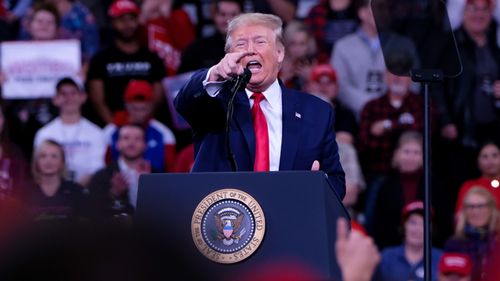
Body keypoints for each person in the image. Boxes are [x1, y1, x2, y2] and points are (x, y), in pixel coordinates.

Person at [174, 13, 345, 198]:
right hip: (225, 221)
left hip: (289, 219)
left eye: (260, 42)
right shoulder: (214, 99)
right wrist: (215, 73)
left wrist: (314, 186)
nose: (250, 50)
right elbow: (183, 102)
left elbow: (336, 183)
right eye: (241, 44)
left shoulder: (317, 112)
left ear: (279, 53)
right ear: (228, 56)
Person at [86, 0, 166, 126]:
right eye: (121, 20)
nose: (127, 24)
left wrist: (143, 125)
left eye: (131, 19)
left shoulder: (152, 58)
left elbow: (158, 99)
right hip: (113, 125)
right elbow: (97, 101)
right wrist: (115, 128)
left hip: (146, 125)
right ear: (112, 23)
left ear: (137, 21)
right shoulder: (100, 59)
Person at [358, 54, 424, 179]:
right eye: (393, 73)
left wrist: (386, 125)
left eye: (402, 74)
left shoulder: (421, 103)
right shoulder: (371, 107)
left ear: (410, 78)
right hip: (379, 173)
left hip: (418, 175)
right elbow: (365, 144)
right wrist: (403, 125)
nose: (397, 78)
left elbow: (425, 132)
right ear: (385, 77)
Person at [33, 77, 106, 186]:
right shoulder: (44, 133)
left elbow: (98, 167)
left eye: (73, 93)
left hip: (88, 191)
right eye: (63, 94)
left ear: (83, 97)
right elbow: (39, 166)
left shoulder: (96, 133)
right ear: (55, 99)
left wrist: (77, 189)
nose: (69, 98)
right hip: (55, 192)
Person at [103, 79, 176, 172]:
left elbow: (171, 169)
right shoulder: (110, 131)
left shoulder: (164, 133)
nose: (139, 113)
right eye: (135, 108)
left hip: (153, 184)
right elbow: (103, 165)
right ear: (126, 105)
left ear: (151, 106)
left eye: (143, 108)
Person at [330, 0, 386, 119]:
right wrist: (369, 105)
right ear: (362, 13)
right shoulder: (343, 46)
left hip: (393, 113)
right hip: (352, 115)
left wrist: (387, 105)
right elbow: (340, 85)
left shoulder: (401, 44)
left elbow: (412, 82)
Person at [88, 124, 152, 219]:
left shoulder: (156, 174)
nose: (132, 143)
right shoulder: (102, 176)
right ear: (117, 144)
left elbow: (165, 208)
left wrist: (149, 183)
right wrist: (113, 193)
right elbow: (91, 211)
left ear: (145, 145)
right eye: (126, 138)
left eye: (137, 138)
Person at [373, 201, 442, 281]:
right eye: (413, 222)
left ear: (432, 229)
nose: (418, 229)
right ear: (403, 226)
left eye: (424, 223)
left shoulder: (441, 259)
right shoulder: (386, 258)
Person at [26, 139, 88, 222]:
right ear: (36, 161)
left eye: (54, 156)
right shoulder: (24, 192)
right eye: (43, 156)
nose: (48, 161)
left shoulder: (76, 191)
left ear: (62, 162)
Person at [445, 187, 499, 281]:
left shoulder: (497, 240)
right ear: (464, 211)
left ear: (491, 209)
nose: (476, 211)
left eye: (481, 206)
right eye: (470, 206)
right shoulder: (454, 244)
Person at [178, 0, 243, 74]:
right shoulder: (196, 49)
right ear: (213, 16)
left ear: (242, 16)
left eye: (233, 14)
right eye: (222, 14)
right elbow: (181, 81)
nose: (227, 20)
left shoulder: (249, 48)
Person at [139, 0, 196, 76]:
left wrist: (167, 16)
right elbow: (134, 47)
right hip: (152, 76)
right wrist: (143, 16)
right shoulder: (141, 18)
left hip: (179, 76)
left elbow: (188, 47)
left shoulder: (180, 15)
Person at [305, 63, 357, 144]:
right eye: (318, 81)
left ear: (337, 87)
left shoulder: (345, 114)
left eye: (329, 82)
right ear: (308, 86)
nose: (323, 86)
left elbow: (345, 141)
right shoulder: (296, 110)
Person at [455, 141, 500, 214]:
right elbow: (460, 216)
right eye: (485, 156)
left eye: (495, 155)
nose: (490, 160)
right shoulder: (469, 186)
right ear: (478, 162)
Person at [279, 20, 316, 91]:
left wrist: (310, 78)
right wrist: (284, 78)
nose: (298, 49)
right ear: (286, 44)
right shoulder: (277, 65)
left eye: (302, 44)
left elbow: (323, 95)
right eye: (293, 44)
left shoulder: (314, 64)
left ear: (309, 44)